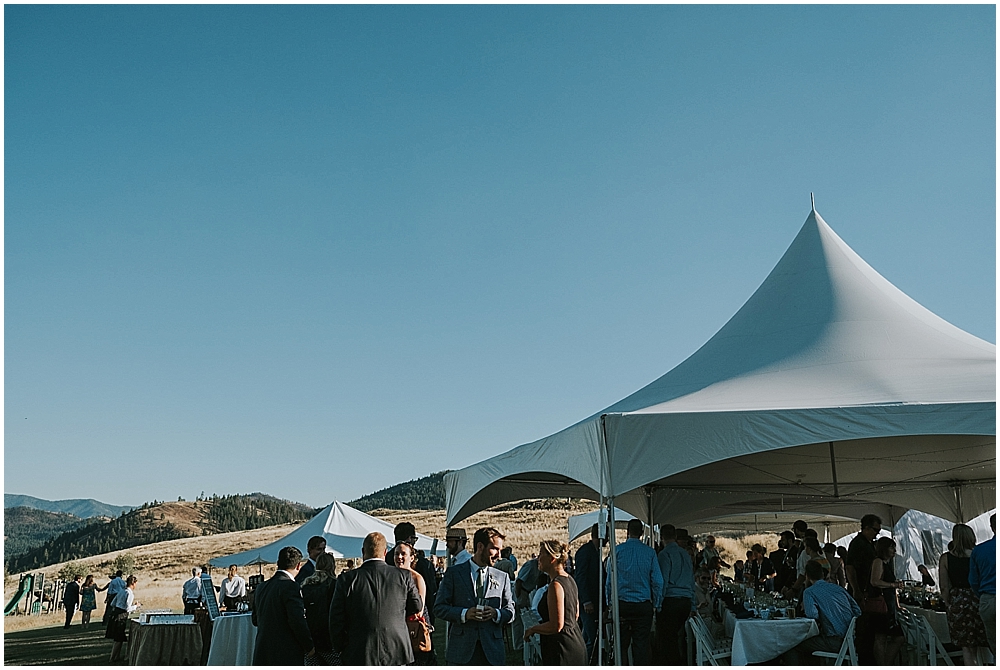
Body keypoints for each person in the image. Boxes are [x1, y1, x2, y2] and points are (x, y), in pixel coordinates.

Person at [329, 533, 419, 665]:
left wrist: (342, 647)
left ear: (363, 551)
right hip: (396, 649)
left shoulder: (347, 579)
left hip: (359, 649)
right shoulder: (403, 576)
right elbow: (416, 605)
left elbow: (335, 619)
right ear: (385, 552)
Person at [434, 527, 515, 665]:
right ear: (480, 546)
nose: (499, 555)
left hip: (492, 651)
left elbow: (511, 611)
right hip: (461, 651)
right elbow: (439, 608)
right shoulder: (454, 574)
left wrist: (496, 613)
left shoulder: (502, 577)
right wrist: (464, 614)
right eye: (495, 549)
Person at [605, 518, 663, 666]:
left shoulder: (617, 551)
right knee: (642, 645)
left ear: (627, 532)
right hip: (643, 605)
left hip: (622, 605)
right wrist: (656, 603)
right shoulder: (650, 553)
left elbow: (609, 581)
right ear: (642, 533)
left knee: (621, 646)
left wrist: (610, 602)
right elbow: (658, 581)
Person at [783, 560, 861, 665]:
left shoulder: (809, 592)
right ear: (823, 574)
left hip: (834, 641)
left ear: (807, 576)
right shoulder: (839, 589)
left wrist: (809, 607)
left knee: (790, 645)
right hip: (852, 639)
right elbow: (857, 611)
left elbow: (812, 615)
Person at [523, 540, 587, 665]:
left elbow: (556, 625)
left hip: (561, 649)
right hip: (575, 641)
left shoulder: (555, 585)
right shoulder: (570, 580)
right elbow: (575, 614)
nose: (538, 558)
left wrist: (533, 629)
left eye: (541, 554)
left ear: (552, 558)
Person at [252, 546, 316, 665]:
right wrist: (309, 646)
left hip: (263, 650)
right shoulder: (290, 586)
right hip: (285, 653)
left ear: (278, 563)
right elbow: (297, 620)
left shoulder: (261, 587)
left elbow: (255, 620)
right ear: (298, 566)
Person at [939, 523, 990, 665]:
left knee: (967, 647)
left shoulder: (945, 558)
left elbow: (944, 586)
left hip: (958, 600)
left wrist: (948, 603)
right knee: (988, 640)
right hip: (978, 598)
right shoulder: (978, 554)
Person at [656, 524, 695, 666]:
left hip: (671, 601)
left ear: (661, 537)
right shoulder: (685, 554)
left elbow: (662, 581)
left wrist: (658, 604)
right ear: (676, 537)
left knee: (667, 639)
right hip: (685, 601)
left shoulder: (664, 554)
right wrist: (693, 605)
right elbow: (691, 580)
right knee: (676, 636)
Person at [846, 514, 881, 665]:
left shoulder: (868, 543)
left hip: (867, 591)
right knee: (863, 629)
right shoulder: (858, 544)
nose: (877, 533)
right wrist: (856, 589)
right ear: (866, 528)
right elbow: (850, 567)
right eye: (875, 530)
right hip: (861, 591)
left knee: (869, 630)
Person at [387, 522, 439, 624]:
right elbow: (430, 593)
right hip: (415, 619)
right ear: (410, 539)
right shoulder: (423, 565)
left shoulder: (385, 560)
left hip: (392, 619)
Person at [393, 541, 435, 665]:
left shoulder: (417, 578)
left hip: (413, 631)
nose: (399, 557)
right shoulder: (390, 576)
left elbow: (419, 609)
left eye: (403, 554)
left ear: (411, 558)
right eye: (396, 554)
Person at [869, 537, 904, 665]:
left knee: (897, 637)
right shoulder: (878, 561)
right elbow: (875, 581)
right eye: (891, 547)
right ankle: (883, 665)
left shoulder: (887, 563)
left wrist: (897, 605)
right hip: (881, 606)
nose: (894, 550)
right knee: (881, 637)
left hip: (888, 606)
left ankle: (885, 664)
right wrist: (892, 585)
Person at [301, 553, 339, 665]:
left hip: (311, 640)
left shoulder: (306, 586)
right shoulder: (335, 585)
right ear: (332, 566)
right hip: (329, 640)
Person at [574, 523, 602, 660]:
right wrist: (586, 600)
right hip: (588, 602)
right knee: (592, 638)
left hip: (594, 601)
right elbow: (581, 577)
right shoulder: (585, 552)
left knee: (588, 636)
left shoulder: (594, 551)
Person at [969, 513, 995, 657]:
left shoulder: (979, 550)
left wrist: (983, 595)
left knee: (995, 642)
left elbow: (973, 580)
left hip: (989, 599)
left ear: (992, 527)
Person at [106, 576, 140, 662]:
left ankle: (116, 656)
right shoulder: (130, 593)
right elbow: (128, 608)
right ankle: (112, 658)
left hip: (115, 613)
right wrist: (136, 606)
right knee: (118, 638)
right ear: (133, 583)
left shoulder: (121, 591)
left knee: (119, 638)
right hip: (121, 615)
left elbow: (113, 603)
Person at [512, 555, 540, 650]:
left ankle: (524, 641)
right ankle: (518, 645)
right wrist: (519, 597)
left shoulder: (539, 567)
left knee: (525, 618)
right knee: (518, 620)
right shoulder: (530, 565)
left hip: (527, 592)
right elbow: (519, 581)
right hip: (521, 591)